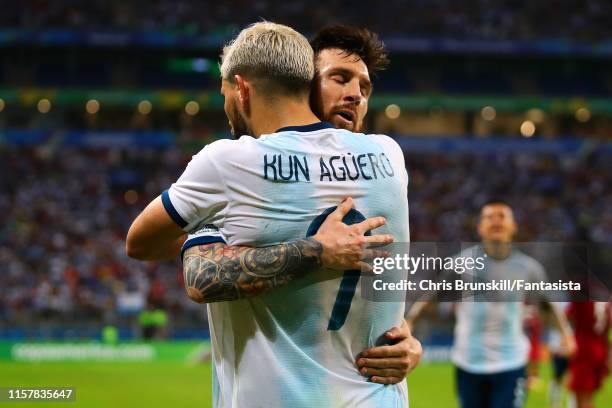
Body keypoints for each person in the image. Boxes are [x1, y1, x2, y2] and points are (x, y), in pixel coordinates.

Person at [127, 22, 411, 407]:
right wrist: (401, 334)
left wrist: (210, 229)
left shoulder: (231, 164)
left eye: (363, 87)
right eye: (339, 79)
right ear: (305, 84)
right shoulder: (390, 158)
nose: (354, 95)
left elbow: (147, 247)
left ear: (241, 88)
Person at [407, 201, 576, 408]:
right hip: (468, 363)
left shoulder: (528, 268)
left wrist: (566, 334)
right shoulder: (461, 263)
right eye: (489, 217)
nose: (496, 221)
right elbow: (432, 296)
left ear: (513, 227)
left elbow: (546, 305)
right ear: (480, 227)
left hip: (511, 364)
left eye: (502, 217)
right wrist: (410, 320)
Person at [566, 301, 611, 408]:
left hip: (584, 348)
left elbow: (568, 315)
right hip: (600, 348)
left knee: (582, 398)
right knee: (588, 397)